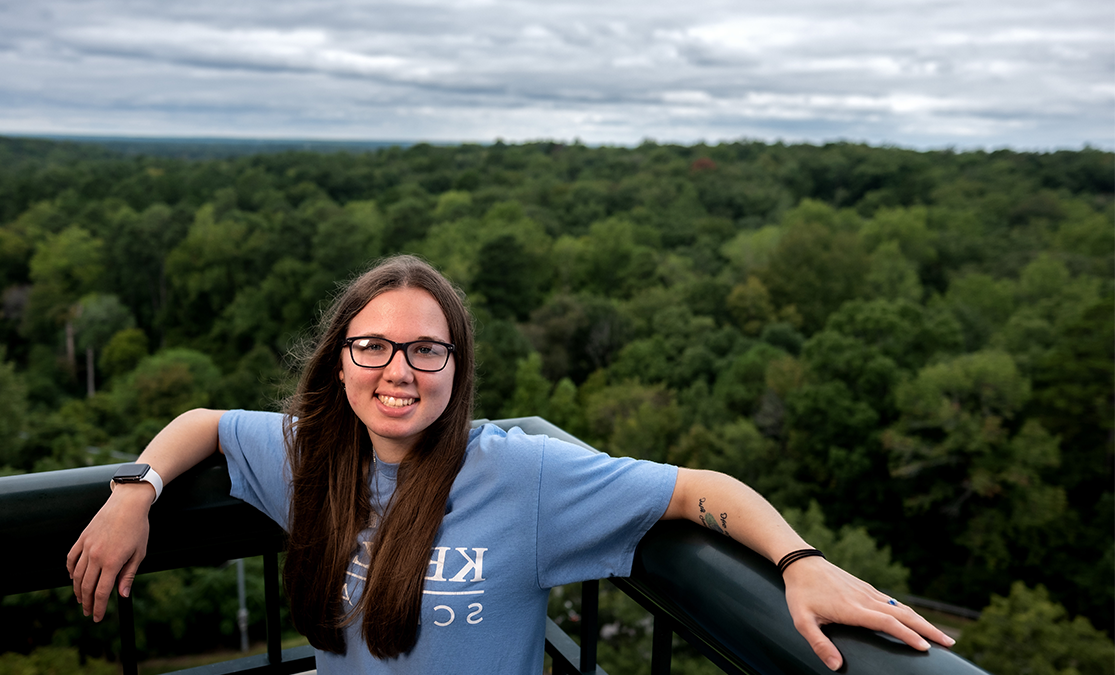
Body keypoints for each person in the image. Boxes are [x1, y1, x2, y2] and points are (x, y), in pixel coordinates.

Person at [67, 254, 953, 673]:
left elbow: (698, 490)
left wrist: (800, 563)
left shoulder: (523, 473)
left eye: (426, 350)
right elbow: (207, 423)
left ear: (456, 369)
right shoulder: (306, 453)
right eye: (373, 346)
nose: (398, 371)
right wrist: (134, 490)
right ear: (340, 361)